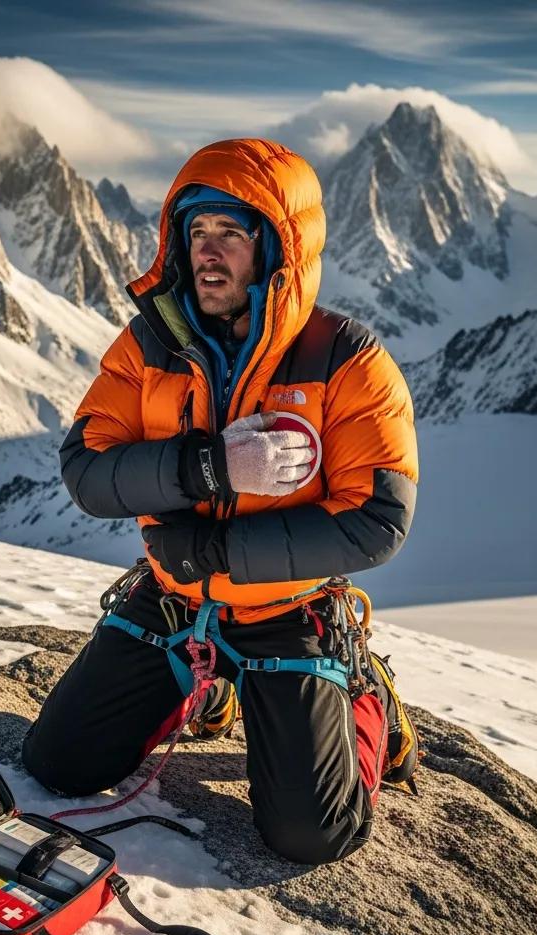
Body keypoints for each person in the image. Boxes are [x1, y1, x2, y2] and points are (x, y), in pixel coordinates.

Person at [22, 138, 419, 864]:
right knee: (58, 764)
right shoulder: (148, 345)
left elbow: (377, 520)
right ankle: (206, 691)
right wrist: (211, 467)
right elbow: (86, 468)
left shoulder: (347, 359)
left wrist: (216, 552)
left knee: (313, 834)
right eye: (196, 233)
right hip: (174, 601)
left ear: (277, 249)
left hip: (288, 610)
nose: (208, 253)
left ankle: (367, 697)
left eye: (232, 233)